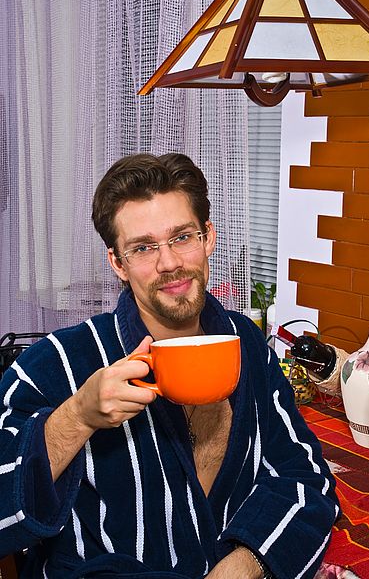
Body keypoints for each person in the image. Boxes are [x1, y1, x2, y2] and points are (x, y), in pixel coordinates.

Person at [0, 153, 340, 578]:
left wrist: (246, 564)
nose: (169, 263)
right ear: (117, 264)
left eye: (182, 237)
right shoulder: (55, 363)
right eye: (143, 247)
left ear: (208, 237)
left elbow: (307, 479)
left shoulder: (247, 344)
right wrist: (77, 416)